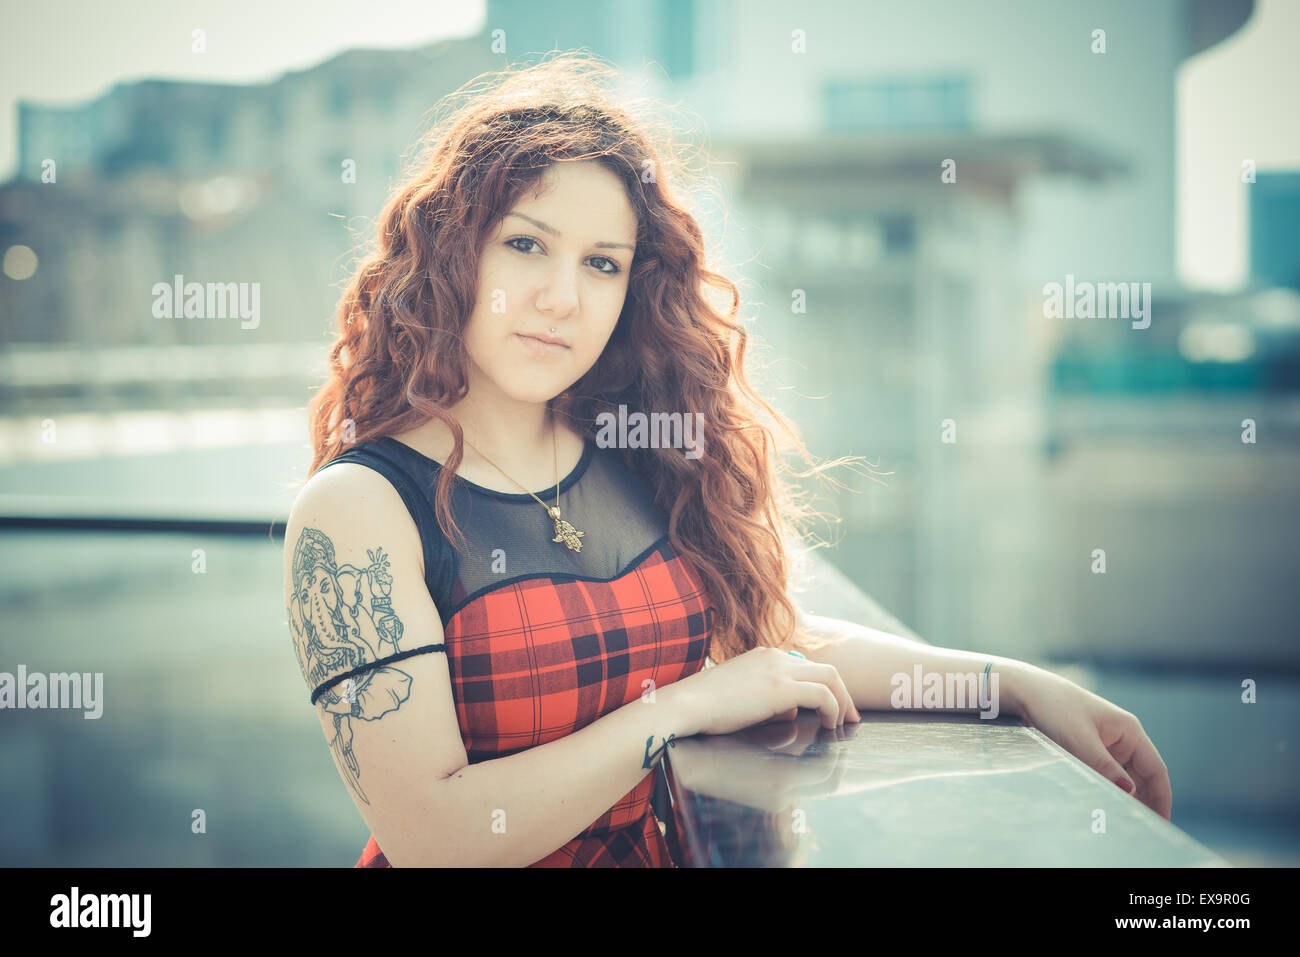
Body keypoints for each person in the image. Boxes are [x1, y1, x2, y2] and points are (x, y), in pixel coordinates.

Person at [281, 53, 1172, 868]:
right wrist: (682, 708)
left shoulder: (636, 449)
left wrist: (1010, 686)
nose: (561, 298)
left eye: (603, 263)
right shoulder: (360, 506)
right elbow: (432, 837)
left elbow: (769, 640)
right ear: (452, 249)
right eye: (526, 244)